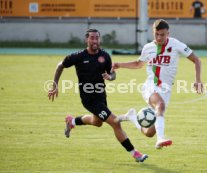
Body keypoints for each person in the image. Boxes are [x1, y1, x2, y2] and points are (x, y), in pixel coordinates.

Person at [48, 29, 148, 162]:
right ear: (86, 40)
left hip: (101, 96)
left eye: (97, 38)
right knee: (115, 123)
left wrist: (109, 76)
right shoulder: (78, 56)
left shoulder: (105, 56)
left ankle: (71, 121)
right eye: (92, 38)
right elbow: (60, 65)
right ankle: (135, 153)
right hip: (88, 99)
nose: (95, 41)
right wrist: (55, 84)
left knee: (97, 122)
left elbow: (113, 74)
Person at [113, 19, 203, 149]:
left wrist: (198, 80)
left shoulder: (176, 44)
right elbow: (139, 64)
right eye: (157, 34)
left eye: (162, 34)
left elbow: (196, 60)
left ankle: (132, 117)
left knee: (149, 132)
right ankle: (160, 139)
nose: (159, 37)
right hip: (150, 86)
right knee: (160, 105)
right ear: (153, 33)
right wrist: (120, 65)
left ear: (168, 33)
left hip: (165, 90)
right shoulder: (148, 48)